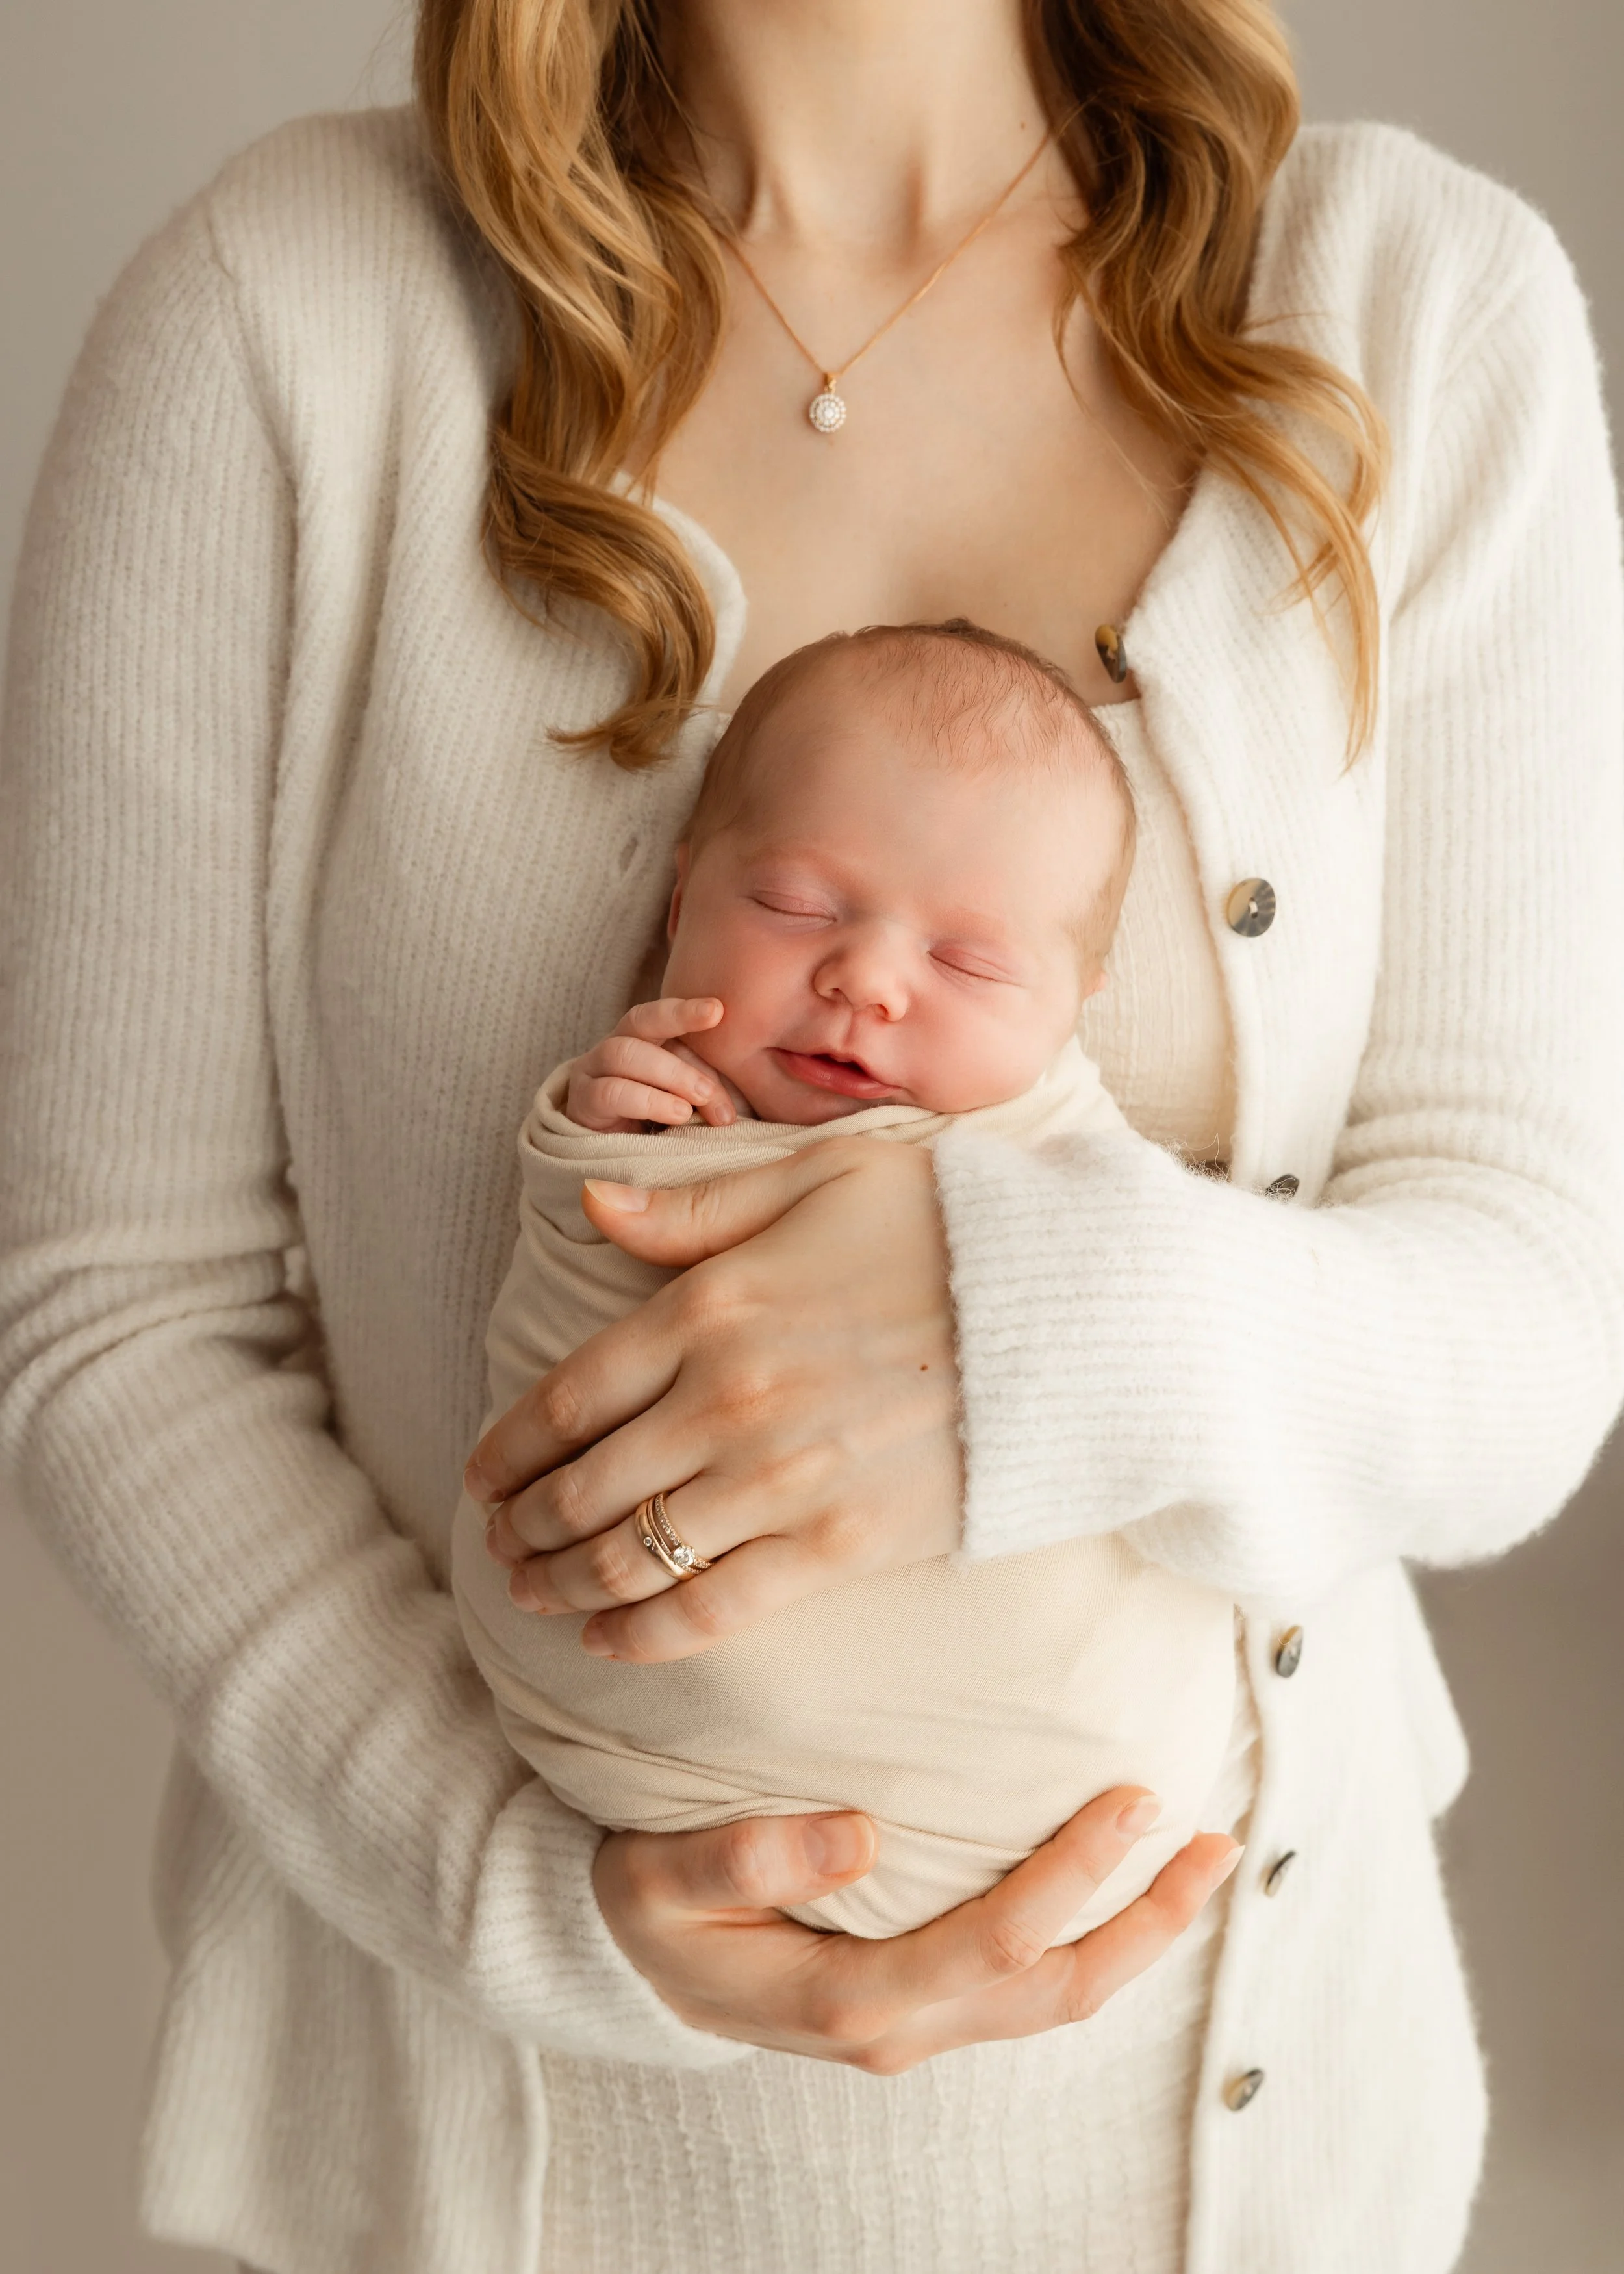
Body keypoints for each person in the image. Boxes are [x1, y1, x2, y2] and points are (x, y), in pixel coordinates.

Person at [0, 0, 1619, 2268]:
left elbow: (1534, 1310)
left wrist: (1021, 1324)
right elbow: (113, 1313)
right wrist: (532, 1892)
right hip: (498, 2179)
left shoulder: (1412, 315)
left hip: (1236, 2170)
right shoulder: (285, 314)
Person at [455, 617, 1243, 1944]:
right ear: (680, 900)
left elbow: (1178, 1326)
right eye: (795, 906)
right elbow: (569, 1279)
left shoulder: (1059, 1148)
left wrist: (1060, 1295)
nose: (865, 979)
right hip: (639, 1773)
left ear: (1074, 1002)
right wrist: (596, 1144)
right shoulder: (659, 1105)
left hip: (1054, 1797)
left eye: (967, 962)